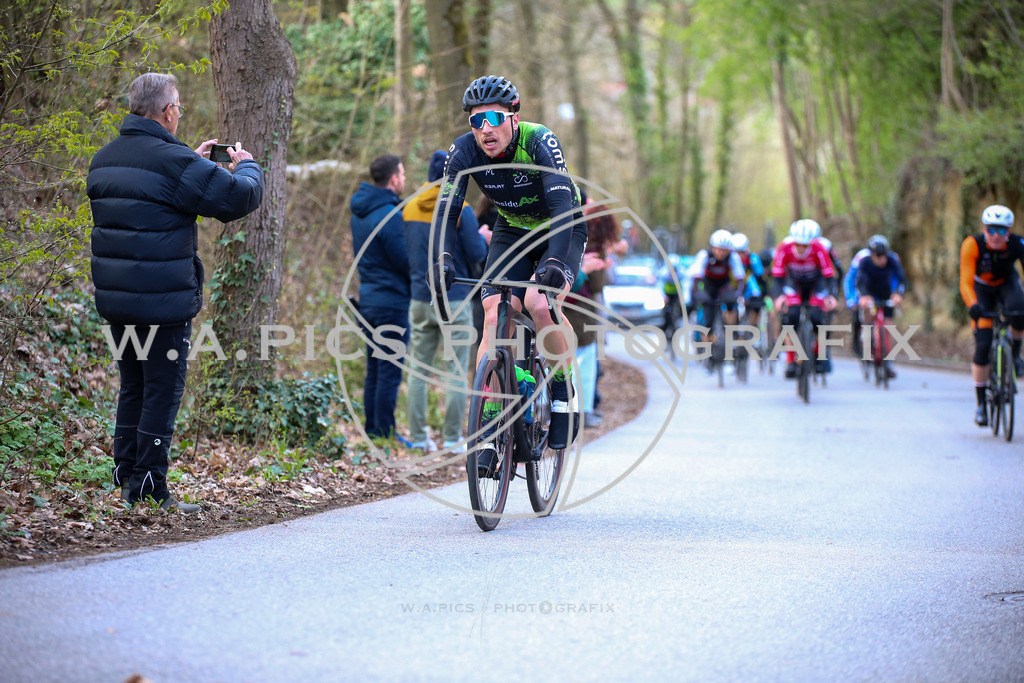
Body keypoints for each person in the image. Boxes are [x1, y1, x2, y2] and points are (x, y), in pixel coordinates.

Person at [88, 72, 264, 512]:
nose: (179, 113)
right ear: (168, 111)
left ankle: (126, 477)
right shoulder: (176, 163)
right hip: (162, 302)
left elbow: (155, 198)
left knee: (133, 386)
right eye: (179, 107)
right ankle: (149, 488)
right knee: (161, 390)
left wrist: (192, 160)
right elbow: (239, 198)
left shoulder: (105, 159)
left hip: (117, 299)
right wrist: (246, 165)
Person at [429, 75, 587, 471]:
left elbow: (562, 209)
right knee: (495, 313)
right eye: (476, 121)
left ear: (514, 116)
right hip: (512, 230)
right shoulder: (464, 151)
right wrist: (442, 259)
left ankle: (563, 391)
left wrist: (554, 262)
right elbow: (447, 210)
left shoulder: (539, 141)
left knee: (538, 302)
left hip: (560, 227)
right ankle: (489, 423)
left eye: (495, 118)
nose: (486, 129)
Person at [403, 150, 487, 452]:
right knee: (455, 370)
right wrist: (484, 237)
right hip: (454, 301)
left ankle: (418, 438)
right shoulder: (461, 209)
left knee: (418, 371)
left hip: (418, 298)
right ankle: (452, 439)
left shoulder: (409, 207)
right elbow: (477, 254)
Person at [350, 154, 410, 442]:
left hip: (369, 300)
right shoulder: (390, 216)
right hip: (391, 302)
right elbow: (405, 261)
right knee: (389, 370)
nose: (404, 179)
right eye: (402, 174)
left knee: (375, 368)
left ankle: (373, 430)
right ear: (394, 178)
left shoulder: (360, 214)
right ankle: (384, 433)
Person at [959, 204, 1024, 426]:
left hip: (1007, 284)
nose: (996, 235)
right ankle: (981, 405)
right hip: (981, 290)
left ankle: (1015, 355)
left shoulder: (1017, 243)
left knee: (1020, 310)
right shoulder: (972, 244)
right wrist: (973, 304)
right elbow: (965, 281)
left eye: (1001, 230)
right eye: (991, 229)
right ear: (985, 230)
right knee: (984, 345)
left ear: (1009, 232)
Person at [563, 203, 624, 429]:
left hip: (561, 308)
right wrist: (601, 268)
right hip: (582, 313)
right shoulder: (595, 248)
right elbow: (598, 285)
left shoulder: (570, 239)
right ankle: (583, 412)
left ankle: (560, 411)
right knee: (585, 365)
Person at [771, 219, 838, 378]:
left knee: (817, 318)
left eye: (805, 245)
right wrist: (779, 297)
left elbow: (829, 276)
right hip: (794, 283)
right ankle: (790, 360)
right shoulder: (784, 248)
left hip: (815, 284)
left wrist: (831, 297)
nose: (801, 248)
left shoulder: (819, 248)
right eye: (798, 244)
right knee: (791, 317)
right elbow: (778, 277)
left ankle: (818, 355)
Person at [854, 235, 906, 379]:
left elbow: (902, 279)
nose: (882, 259)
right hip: (869, 291)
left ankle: (888, 361)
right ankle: (867, 344)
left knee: (887, 326)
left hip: (885, 292)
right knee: (869, 316)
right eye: (878, 256)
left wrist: (898, 294)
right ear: (871, 255)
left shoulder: (891, 260)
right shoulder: (864, 262)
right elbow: (859, 282)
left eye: (884, 255)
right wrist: (864, 296)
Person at [691, 229, 746, 355]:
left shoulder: (733, 257)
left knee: (732, 302)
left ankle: (732, 332)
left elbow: (740, 278)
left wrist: (739, 294)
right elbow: (696, 277)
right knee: (707, 313)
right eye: (718, 250)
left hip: (723, 286)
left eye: (724, 250)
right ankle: (707, 342)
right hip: (708, 287)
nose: (721, 253)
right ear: (713, 247)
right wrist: (696, 293)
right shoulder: (704, 255)